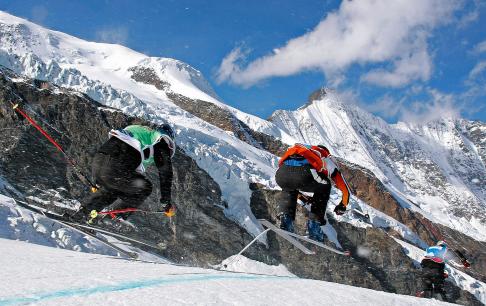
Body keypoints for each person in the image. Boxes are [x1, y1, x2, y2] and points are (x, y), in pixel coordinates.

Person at [72, 124, 175, 222]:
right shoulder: (161, 141)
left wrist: (99, 181)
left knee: (113, 189)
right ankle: (114, 220)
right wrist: (166, 202)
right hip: (115, 167)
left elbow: (112, 152)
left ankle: (80, 215)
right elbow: (166, 172)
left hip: (98, 164)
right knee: (144, 188)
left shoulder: (139, 132)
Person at [275, 144, 351, 242]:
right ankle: (314, 227)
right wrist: (342, 206)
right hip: (305, 173)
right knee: (325, 186)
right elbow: (345, 190)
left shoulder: (302, 150)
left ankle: (285, 222)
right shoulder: (326, 157)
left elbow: (293, 181)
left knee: (289, 188)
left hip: (282, 175)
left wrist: (302, 197)